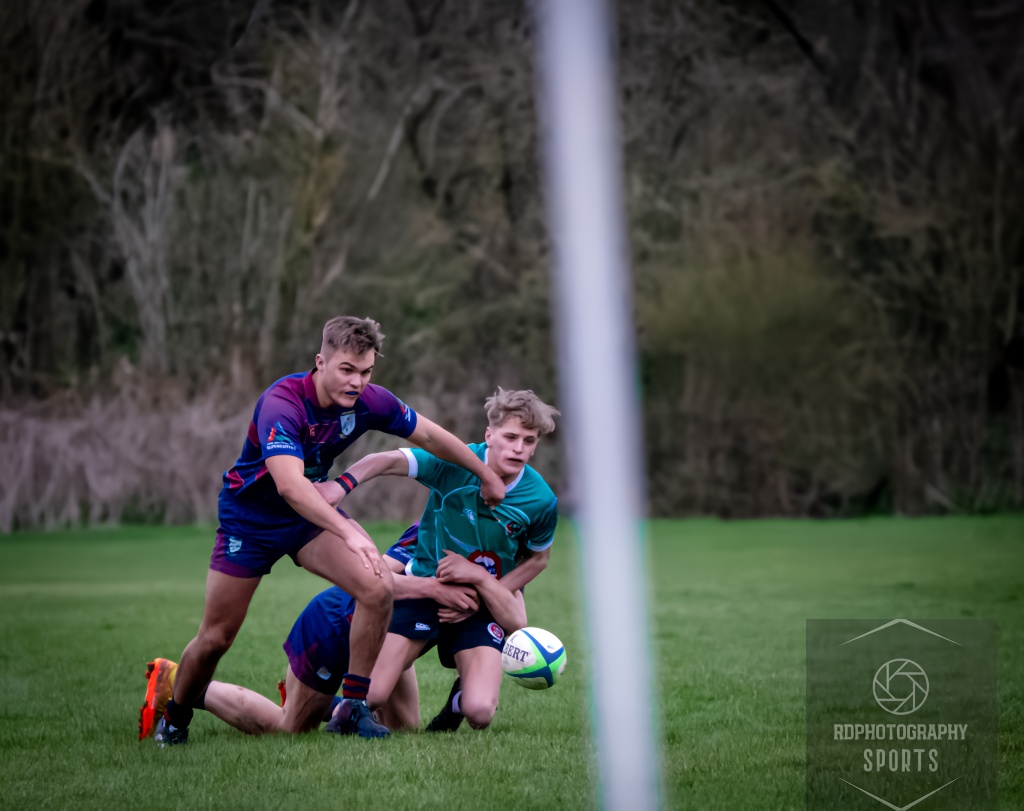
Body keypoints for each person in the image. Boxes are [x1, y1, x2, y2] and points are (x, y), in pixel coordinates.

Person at [155, 316, 506, 745]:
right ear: (320, 362)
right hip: (250, 522)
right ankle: (174, 717)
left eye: (366, 372)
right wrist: (349, 531)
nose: (357, 382)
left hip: (308, 520)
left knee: (376, 586)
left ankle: (353, 706)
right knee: (216, 638)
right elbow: (290, 486)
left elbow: (430, 435)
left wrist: (483, 472)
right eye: (346, 369)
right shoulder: (283, 403)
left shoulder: (369, 401)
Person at [321, 387, 559, 733]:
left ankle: (456, 703)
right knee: (368, 697)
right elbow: (387, 460)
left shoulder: (540, 500)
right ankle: (327, 699)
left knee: (480, 712)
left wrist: (481, 590)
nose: (518, 448)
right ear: (489, 435)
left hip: (481, 603)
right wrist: (340, 486)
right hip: (424, 591)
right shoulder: (456, 463)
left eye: (529, 440)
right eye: (510, 437)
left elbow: (538, 559)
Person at [138, 538, 474, 738]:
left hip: (390, 639)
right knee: (290, 730)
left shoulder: (492, 545)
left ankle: (327, 702)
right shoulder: (432, 528)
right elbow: (376, 578)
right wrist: (435, 589)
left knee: (403, 730)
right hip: (335, 626)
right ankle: (178, 683)